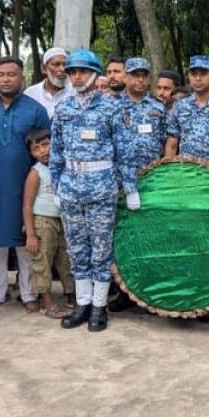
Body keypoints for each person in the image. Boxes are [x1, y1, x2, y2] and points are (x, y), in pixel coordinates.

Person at [50, 50, 138, 332]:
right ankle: (82, 304)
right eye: (72, 72)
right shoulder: (63, 108)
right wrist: (55, 184)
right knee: (77, 248)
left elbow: (125, 152)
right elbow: (56, 152)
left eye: (82, 72)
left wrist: (130, 187)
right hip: (71, 186)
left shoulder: (112, 108)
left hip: (101, 186)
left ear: (95, 75)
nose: (76, 76)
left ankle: (99, 307)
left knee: (101, 248)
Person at [0, 57, 52, 315]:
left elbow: (44, 148)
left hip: (25, 185)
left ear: (22, 78)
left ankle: (29, 294)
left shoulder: (35, 110)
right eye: (1, 74)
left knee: (26, 243)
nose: (5, 79)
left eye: (11, 74)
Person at [22, 128, 72, 319]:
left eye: (45, 145)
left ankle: (70, 297)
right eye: (36, 149)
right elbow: (27, 204)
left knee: (66, 260)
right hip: (43, 221)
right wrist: (31, 234)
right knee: (42, 261)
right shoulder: (36, 172)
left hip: (65, 220)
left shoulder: (65, 166)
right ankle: (47, 302)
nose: (43, 151)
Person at [118, 58, 167, 173]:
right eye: (135, 75)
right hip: (121, 172)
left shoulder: (158, 106)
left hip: (152, 172)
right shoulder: (113, 105)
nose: (141, 80)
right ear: (125, 77)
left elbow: (164, 138)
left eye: (144, 76)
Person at [23, 47, 72, 118]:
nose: (62, 69)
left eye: (65, 64)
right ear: (44, 69)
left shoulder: (76, 92)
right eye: (56, 64)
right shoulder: (30, 94)